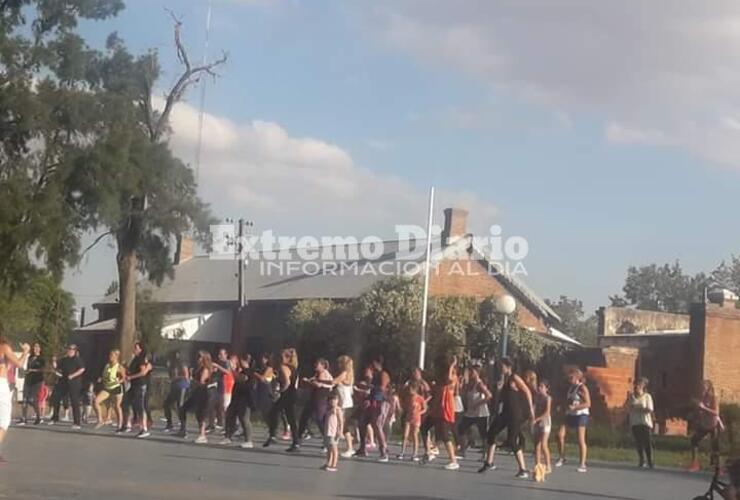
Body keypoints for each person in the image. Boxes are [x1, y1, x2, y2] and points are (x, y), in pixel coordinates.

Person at [478, 357, 535, 479]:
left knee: (512, 441)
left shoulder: (515, 377)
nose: (500, 368)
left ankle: (523, 469)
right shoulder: (505, 379)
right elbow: (503, 397)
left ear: (508, 367)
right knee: (491, 433)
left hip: (515, 414)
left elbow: (527, 391)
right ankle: (489, 462)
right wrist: (499, 390)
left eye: (502, 366)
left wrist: (531, 409)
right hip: (505, 413)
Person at [421, 355, 460, 470]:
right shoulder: (440, 380)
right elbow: (434, 393)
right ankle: (428, 452)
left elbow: (449, 379)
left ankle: (453, 460)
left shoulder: (453, 376)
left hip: (445, 409)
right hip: (436, 409)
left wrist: (452, 365)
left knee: (444, 435)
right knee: (424, 428)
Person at [556, 368, 591, 472]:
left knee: (580, 439)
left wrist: (576, 407)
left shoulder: (582, 388)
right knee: (559, 434)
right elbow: (569, 401)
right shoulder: (571, 388)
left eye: (571, 377)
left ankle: (582, 464)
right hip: (570, 414)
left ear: (577, 378)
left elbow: (588, 404)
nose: (569, 379)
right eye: (569, 377)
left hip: (581, 414)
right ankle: (562, 457)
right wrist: (562, 406)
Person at [356, 357, 391, 461]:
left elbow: (382, 388)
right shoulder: (374, 375)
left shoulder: (383, 374)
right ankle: (362, 448)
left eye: (374, 364)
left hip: (382, 402)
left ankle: (383, 452)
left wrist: (368, 386)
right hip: (372, 401)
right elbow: (371, 390)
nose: (372, 366)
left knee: (377, 425)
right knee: (362, 422)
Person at [0, 338, 30, 463]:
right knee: (4, 421)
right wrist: (25, 352)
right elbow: (19, 364)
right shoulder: (4, 347)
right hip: (0, 384)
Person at [295, 358, 333, 452]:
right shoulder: (317, 374)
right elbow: (313, 381)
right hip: (314, 398)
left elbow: (318, 385)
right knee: (304, 418)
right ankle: (297, 441)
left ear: (323, 365)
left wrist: (308, 382)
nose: (315, 365)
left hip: (321, 399)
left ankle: (327, 442)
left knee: (320, 419)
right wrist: (308, 381)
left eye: (317, 364)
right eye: (315, 364)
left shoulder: (324, 373)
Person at [263, 348, 299, 449]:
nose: (279, 359)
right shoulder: (293, 367)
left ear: (287, 358)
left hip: (287, 394)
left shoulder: (283, 367)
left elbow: (287, 382)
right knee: (290, 417)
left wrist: (281, 391)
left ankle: (273, 435)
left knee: (273, 412)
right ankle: (295, 441)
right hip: (292, 394)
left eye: (281, 357)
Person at [457, 364, 492, 459]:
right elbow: (463, 394)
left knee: (483, 434)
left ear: (477, 373)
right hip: (470, 413)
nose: (470, 374)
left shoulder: (480, 384)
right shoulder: (469, 384)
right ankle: (463, 450)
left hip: (481, 413)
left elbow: (489, 395)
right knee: (461, 428)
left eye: (472, 372)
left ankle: (485, 454)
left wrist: (478, 403)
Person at [178, 350, 213, 443]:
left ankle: (202, 435)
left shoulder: (205, 369)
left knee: (201, 413)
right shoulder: (198, 368)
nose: (197, 359)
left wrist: (192, 380)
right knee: (183, 408)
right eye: (197, 357)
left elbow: (202, 382)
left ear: (204, 359)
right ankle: (183, 429)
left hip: (203, 392)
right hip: (196, 392)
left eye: (200, 357)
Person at [221, 354, 254, 448]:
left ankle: (248, 440)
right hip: (236, 397)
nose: (238, 364)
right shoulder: (242, 370)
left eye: (240, 362)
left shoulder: (249, 371)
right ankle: (228, 436)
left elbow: (241, 378)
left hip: (245, 398)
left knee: (244, 418)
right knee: (229, 415)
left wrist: (231, 369)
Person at [688, 379, 722, 471]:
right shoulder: (703, 397)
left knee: (714, 445)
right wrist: (697, 409)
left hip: (713, 424)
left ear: (708, 387)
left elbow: (716, 412)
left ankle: (717, 467)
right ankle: (695, 463)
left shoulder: (714, 397)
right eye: (701, 387)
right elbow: (701, 410)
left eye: (703, 387)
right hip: (704, 424)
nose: (701, 389)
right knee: (694, 440)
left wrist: (704, 408)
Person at [51, 344, 85, 430]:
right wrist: (54, 361)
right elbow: (57, 367)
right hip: (64, 382)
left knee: (74, 402)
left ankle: (77, 422)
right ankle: (55, 418)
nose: (70, 350)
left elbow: (82, 369)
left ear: (75, 351)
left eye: (72, 349)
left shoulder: (77, 359)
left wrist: (73, 375)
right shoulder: (64, 359)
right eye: (69, 349)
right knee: (56, 397)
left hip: (74, 383)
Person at [120, 342, 151, 438]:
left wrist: (131, 377)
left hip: (140, 385)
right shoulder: (135, 359)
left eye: (136, 348)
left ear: (140, 349)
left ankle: (144, 428)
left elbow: (142, 373)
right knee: (125, 403)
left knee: (140, 406)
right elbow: (132, 371)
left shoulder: (141, 359)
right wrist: (126, 368)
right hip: (133, 385)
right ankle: (127, 425)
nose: (134, 349)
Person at [627, 377, 654, 469]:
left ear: (643, 386)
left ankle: (650, 461)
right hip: (635, 422)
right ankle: (641, 460)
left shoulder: (647, 396)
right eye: (636, 385)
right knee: (638, 442)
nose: (637, 387)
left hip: (645, 422)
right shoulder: (632, 397)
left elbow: (650, 409)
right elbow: (629, 408)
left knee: (647, 442)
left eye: (639, 385)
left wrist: (640, 408)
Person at [94, 349, 125, 430]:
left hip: (116, 387)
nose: (110, 357)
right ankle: (100, 420)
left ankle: (120, 424)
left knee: (117, 406)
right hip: (107, 387)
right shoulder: (107, 365)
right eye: (109, 355)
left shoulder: (119, 367)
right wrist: (101, 379)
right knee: (96, 401)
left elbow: (124, 378)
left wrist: (119, 380)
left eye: (112, 355)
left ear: (116, 356)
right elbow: (104, 376)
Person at [333, 355, 355, 458]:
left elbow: (334, 382)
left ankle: (350, 448)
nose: (338, 365)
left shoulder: (344, 373)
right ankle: (336, 443)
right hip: (346, 402)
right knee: (340, 423)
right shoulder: (350, 374)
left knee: (344, 425)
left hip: (344, 403)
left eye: (339, 363)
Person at [398, 382, 426, 461]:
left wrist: (420, 413)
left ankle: (415, 454)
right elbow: (405, 405)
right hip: (408, 417)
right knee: (405, 435)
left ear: (415, 390)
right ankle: (402, 452)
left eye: (411, 389)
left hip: (416, 418)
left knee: (414, 435)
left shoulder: (420, 398)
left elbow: (425, 408)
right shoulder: (408, 398)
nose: (409, 391)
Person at [163, 351, 190, 433]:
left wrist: (175, 378)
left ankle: (183, 427)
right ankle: (169, 423)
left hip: (182, 386)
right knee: (167, 404)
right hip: (174, 386)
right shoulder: (171, 365)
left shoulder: (181, 363)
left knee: (180, 405)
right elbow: (171, 376)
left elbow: (186, 375)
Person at [21, 342, 44, 425]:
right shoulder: (30, 357)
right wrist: (26, 371)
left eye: (37, 347)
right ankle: (23, 418)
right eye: (34, 347)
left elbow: (43, 369)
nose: (35, 348)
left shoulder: (42, 358)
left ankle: (38, 416)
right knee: (24, 399)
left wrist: (33, 370)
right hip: (28, 380)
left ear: (40, 349)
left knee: (32, 399)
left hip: (37, 381)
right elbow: (28, 368)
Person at [533, 379, 553, 475]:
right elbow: (533, 407)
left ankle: (548, 465)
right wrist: (532, 417)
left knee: (544, 444)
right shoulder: (537, 397)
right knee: (537, 445)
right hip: (537, 423)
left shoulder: (548, 398)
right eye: (539, 386)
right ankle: (537, 465)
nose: (539, 388)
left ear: (546, 388)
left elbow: (547, 412)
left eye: (542, 386)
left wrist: (537, 419)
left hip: (545, 422)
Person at [322, 392, 344, 472]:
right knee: (329, 448)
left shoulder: (338, 410)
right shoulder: (329, 409)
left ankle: (334, 464)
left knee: (334, 448)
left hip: (334, 432)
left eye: (334, 399)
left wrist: (340, 431)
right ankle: (328, 463)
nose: (332, 401)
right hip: (328, 431)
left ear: (338, 400)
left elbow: (341, 422)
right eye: (331, 400)